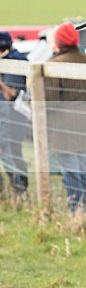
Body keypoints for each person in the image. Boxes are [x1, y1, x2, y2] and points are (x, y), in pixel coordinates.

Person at [45, 22, 86, 214]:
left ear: (58, 42)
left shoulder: (54, 65)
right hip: (85, 123)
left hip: (62, 128)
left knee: (71, 169)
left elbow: (50, 102)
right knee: (82, 167)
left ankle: (77, 210)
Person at [0, 31, 29, 195]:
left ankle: (20, 190)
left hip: (13, 118)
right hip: (6, 117)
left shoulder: (15, 61)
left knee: (12, 153)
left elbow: (10, 93)